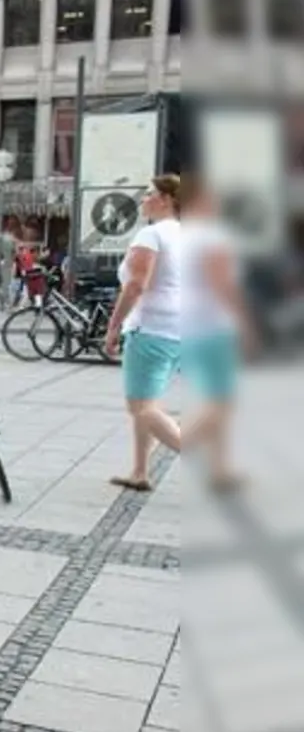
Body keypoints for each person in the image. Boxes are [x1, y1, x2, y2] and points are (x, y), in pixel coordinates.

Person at [104, 174, 184, 492]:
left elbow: (137, 285)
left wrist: (113, 326)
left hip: (150, 327)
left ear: (166, 199)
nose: (143, 199)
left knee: (141, 407)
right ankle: (139, 471)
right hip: (179, 328)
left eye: (149, 193)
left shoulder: (151, 234)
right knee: (148, 402)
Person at [178, 178, 251, 493]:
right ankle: (181, 440)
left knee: (213, 396)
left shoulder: (186, 235)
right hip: (214, 325)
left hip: (191, 324)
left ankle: (220, 469)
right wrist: (246, 324)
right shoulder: (212, 237)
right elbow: (223, 284)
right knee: (222, 401)